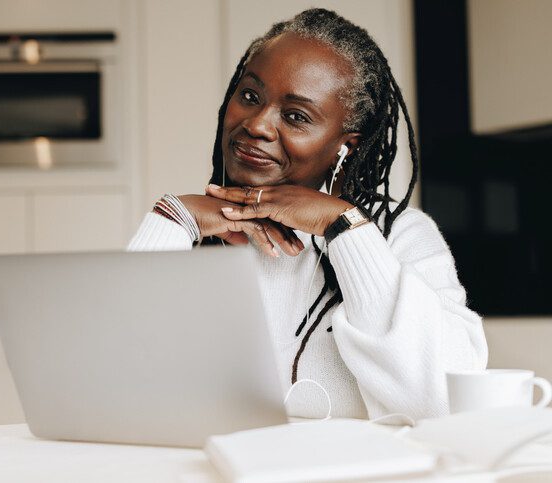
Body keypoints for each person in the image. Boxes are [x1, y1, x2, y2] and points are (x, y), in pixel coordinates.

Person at [127, 8, 488, 420]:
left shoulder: (398, 234)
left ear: (345, 147)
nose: (258, 124)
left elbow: (447, 397)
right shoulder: (192, 229)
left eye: (296, 116)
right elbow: (107, 385)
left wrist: (345, 229)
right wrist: (172, 219)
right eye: (250, 96)